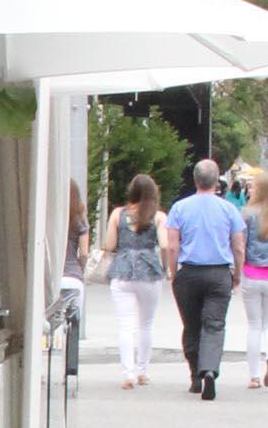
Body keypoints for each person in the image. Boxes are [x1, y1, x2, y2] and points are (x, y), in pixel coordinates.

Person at [166, 157, 244, 401]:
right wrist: (237, 274)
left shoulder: (179, 208)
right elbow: (238, 247)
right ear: (217, 181)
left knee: (191, 325)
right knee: (214, 324)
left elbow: (172, 246)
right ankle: (209, 369)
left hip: (189, 273)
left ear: (195, 179)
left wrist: (173, 272)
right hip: (219, 274)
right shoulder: (229, 209)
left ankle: (195, 376)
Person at [103, 171, 170, 389]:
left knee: (125, 325)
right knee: (146, 324)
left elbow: (109, 245)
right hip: (149, 273)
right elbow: (165, 245)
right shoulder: (158, 217)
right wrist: (165, 267)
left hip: (122, 271)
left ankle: (128, 374)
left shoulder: (118, 214)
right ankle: (142, 371)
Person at [241, 172, 268, 389]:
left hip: (251, 274)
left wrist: (236, 270)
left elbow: (241, 245)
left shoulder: (247, 214)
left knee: (254, 326)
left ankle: (254, 376)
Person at [60, 180, 90, 324]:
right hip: (73, 277)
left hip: (52, 279)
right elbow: (84, 254)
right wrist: (80, 270)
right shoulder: (80, 221)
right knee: (74, 323)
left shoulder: (49, 220)